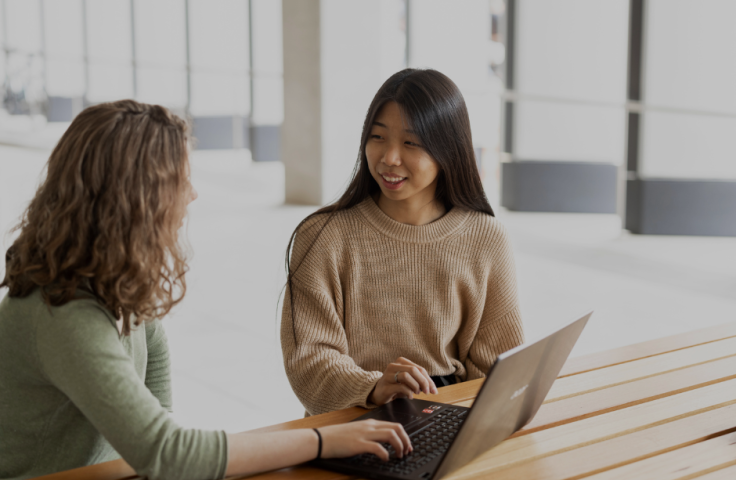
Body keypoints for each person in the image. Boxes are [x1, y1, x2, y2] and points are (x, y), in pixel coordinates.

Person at [0, 100, 411, 480]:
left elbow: (158, 419)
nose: (192, 194)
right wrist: (322, 440)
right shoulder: (64, 311)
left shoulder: (111, 278)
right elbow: (169, 452)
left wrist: (157, 454)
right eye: (179, 180)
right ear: (134, 201)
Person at [281, 68, 525, 416]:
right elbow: (309, 361)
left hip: (450, 417)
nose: (389, 158)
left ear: (448, 149)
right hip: (352, 418)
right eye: (378, 137)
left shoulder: (486, 239)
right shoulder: (323, 236)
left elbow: (498, 371)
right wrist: (374, 388)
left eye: (411, 143)